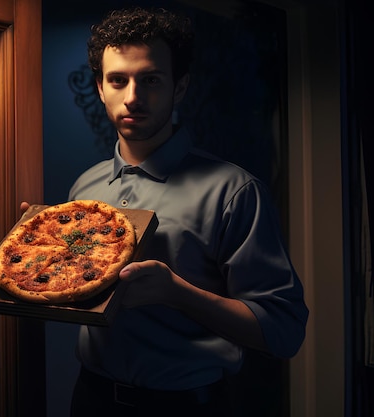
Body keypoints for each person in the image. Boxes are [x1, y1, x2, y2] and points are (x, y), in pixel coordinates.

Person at [25, 6, 308, 417]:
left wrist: (177, 293)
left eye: (151, 80)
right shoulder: (83, 189)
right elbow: (76, 291)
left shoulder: (233, 191)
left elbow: (284, 332)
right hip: (91, 398)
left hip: (185, 406)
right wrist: (39, 252)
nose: (133, 97)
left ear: (179, 87)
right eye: (118, 80)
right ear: (101, 88)